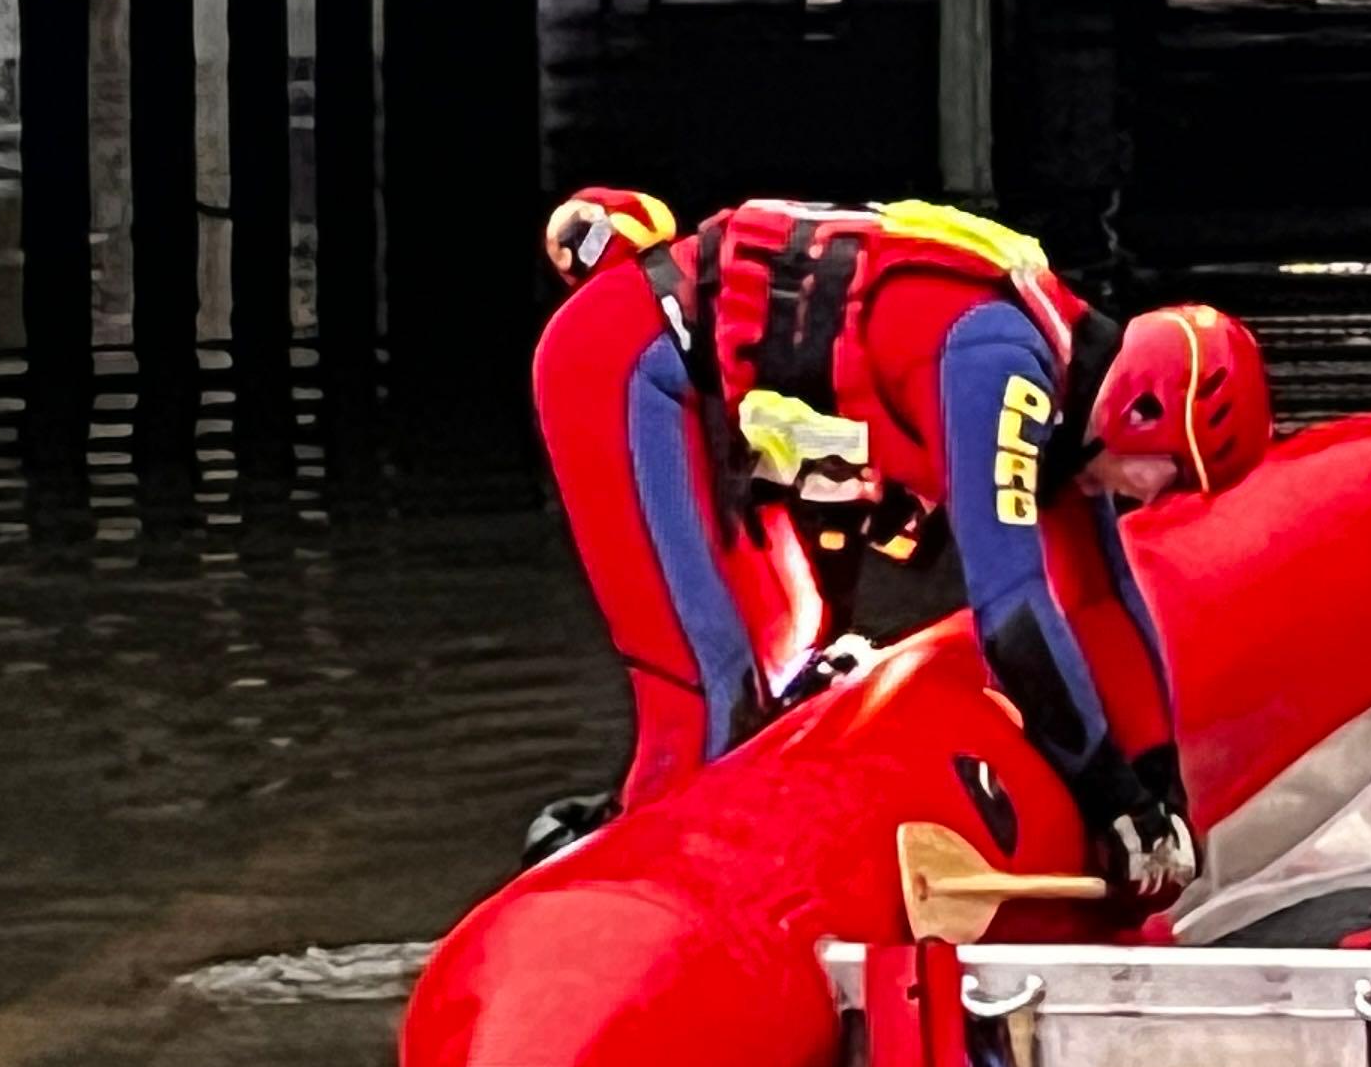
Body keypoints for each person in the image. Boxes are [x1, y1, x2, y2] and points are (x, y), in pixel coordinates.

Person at [531, 188, 1272, 895]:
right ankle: (632, 901)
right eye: (1168, 475)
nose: (1152, 499)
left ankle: (654, 855)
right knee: (709, 696)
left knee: (791, 666)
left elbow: (1103, 600)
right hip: (629, 366)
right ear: (1139, 411)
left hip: (720, 415)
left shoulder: (1073, 391)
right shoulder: (1004, 366)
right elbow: (1011, 616)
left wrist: (1158, 787)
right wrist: (1110, 794)